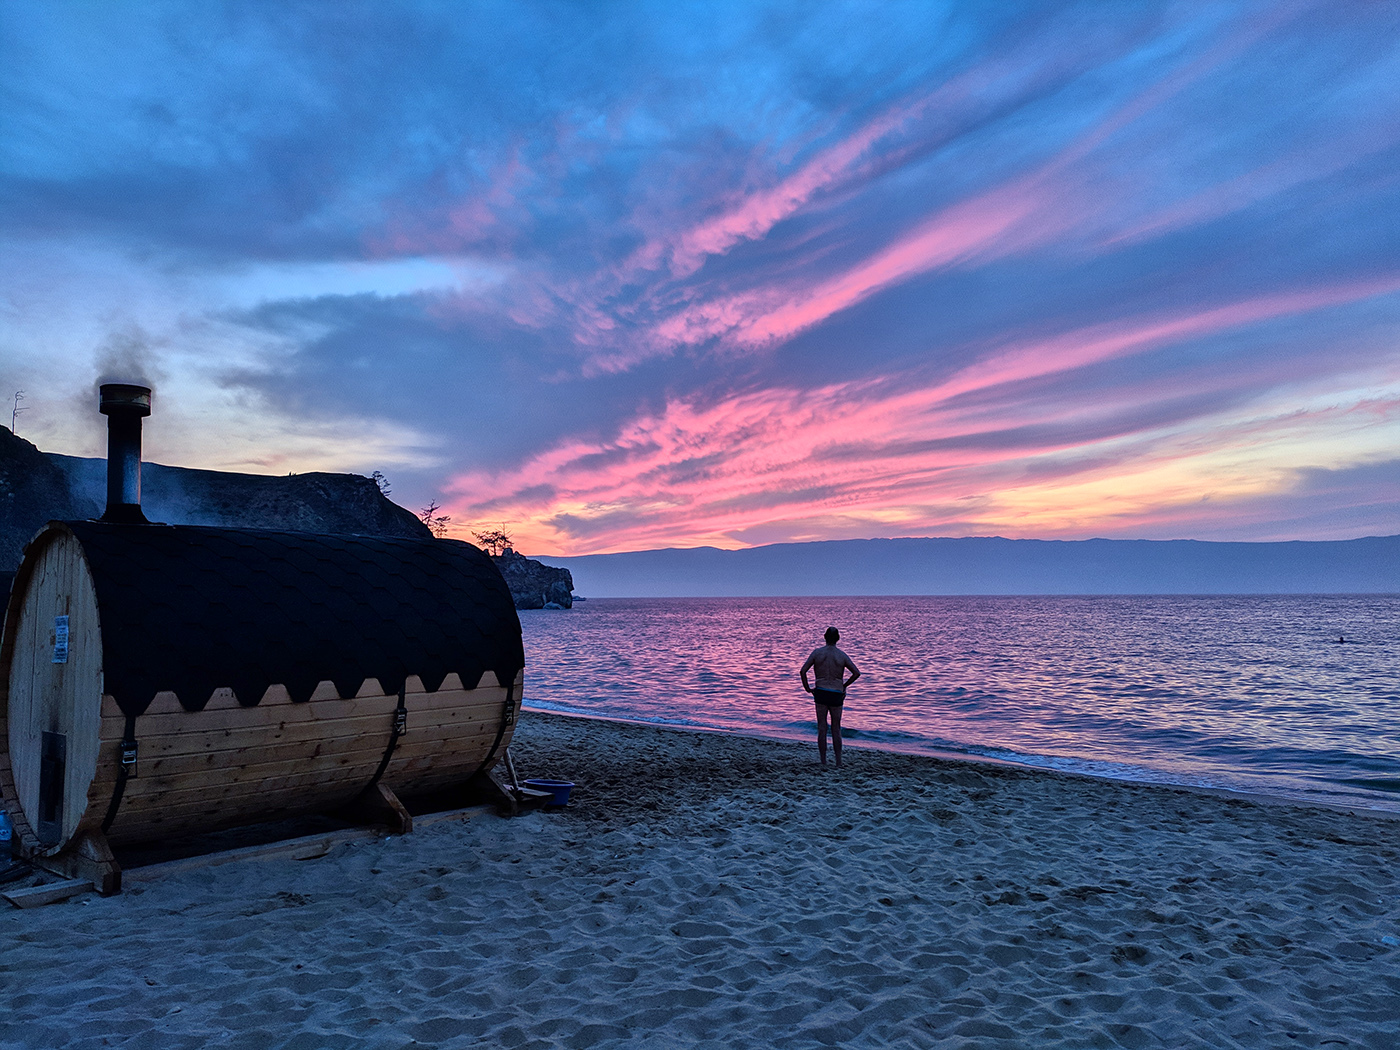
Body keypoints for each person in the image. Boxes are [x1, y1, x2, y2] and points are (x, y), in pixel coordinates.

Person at [800, 626, 861, 768]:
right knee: (836, 728)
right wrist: (844, 685)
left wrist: (808, 689)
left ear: (824, 637)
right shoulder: (841, 655)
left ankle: (823, 761)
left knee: (822, 727)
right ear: (838, 639)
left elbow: (803, 671)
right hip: (836, 693)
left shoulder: (817, 653)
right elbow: (856, 673)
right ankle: (839, 762)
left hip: (821, 691)